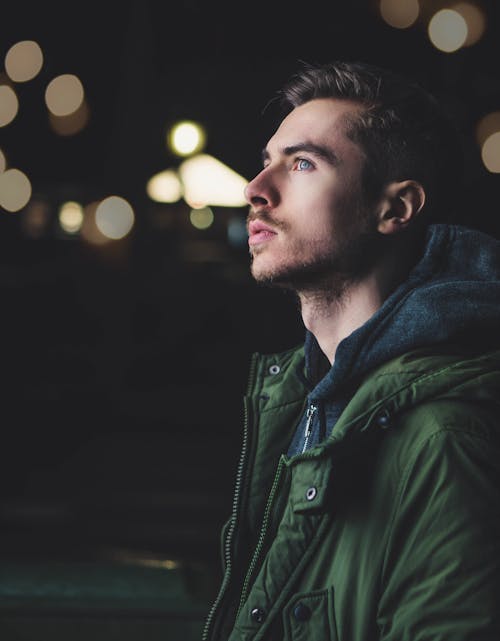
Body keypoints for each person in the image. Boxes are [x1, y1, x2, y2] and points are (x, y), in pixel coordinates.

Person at [202, 60, 500, 641]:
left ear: (395, 209)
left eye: (304, 164)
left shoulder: (446, 437)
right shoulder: (306, 402)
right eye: (267, 162)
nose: (256, 190)